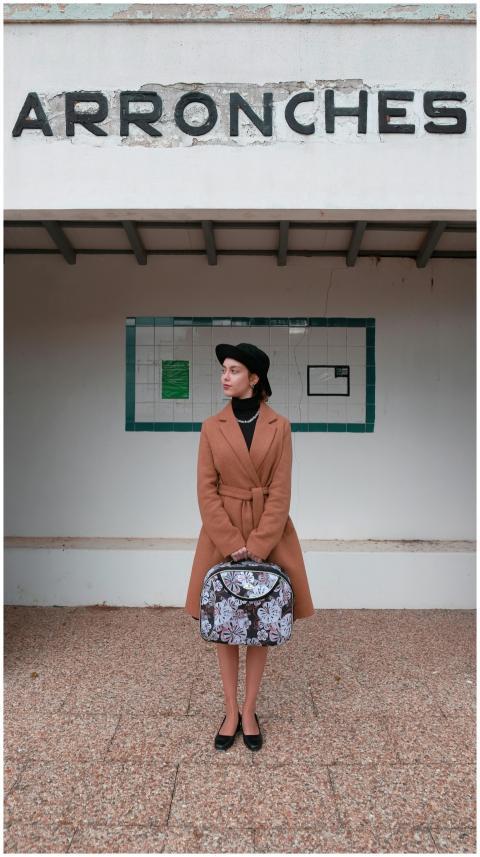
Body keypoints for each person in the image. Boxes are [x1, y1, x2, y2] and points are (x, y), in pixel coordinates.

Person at [184, 342, 315, 751]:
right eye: (224, 369)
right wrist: (230, 542)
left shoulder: (281, 426)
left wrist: (258, 544)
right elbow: (206, 491)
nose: (225, 375)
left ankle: (250, 709)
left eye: (234, 370)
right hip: (221, 531)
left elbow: (281, 492)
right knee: (224, 624)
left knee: (260, 624)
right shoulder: (211, 427)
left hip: (267, 532)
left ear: (254, 378)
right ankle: (229, 710)